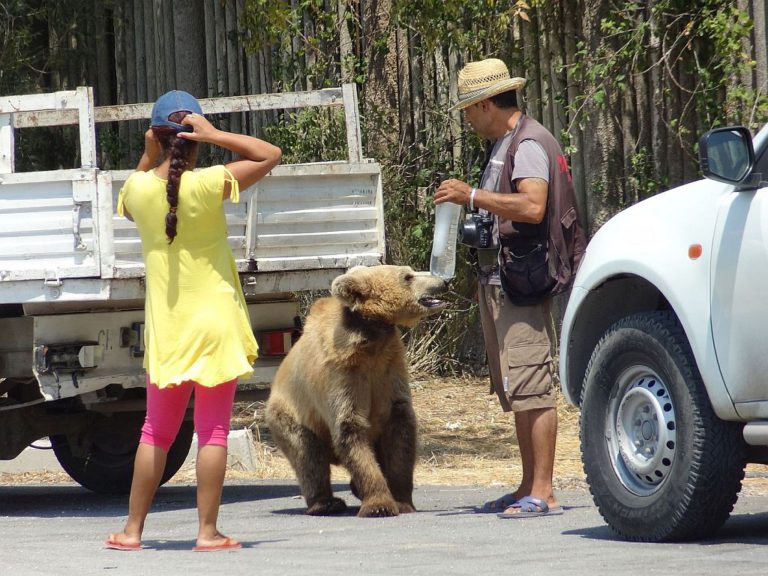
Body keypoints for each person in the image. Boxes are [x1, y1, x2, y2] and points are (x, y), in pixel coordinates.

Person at [105, 90, 282, 550]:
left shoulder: (138, 190)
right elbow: (270, 154)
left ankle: (131, 531)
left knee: (155, 432)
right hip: (216, 324)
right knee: (214, 431)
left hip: (169, 330)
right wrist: (216, 133)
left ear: (156, 136)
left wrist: (146, 156)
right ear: (195, 138)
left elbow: (127, 200)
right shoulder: (208, 184)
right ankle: (207, 533)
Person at [435, 58, 585, 518]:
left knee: (534, 386)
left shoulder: (529, 144)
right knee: (518, 388)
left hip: (523, 281)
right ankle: (527, 485)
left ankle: (543, 490)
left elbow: (533, 206)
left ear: (485, 103)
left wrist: (472, 196)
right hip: (501, 280)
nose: (467, 119)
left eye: (468, 109)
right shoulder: (506, 143)